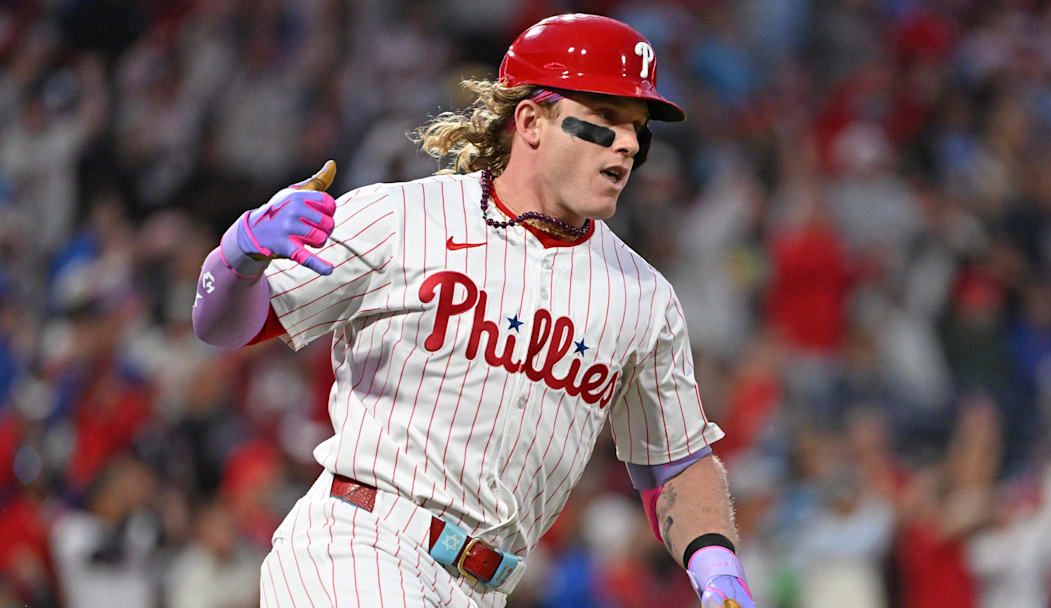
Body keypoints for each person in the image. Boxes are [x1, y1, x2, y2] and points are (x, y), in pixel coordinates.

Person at [193, 13, 755, 608]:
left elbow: (677, 465)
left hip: (485, 587)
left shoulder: (643, 298)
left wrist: (719, 569)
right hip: (362, 543)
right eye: (603, 121)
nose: (627, 143)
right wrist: (238, 257)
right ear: (532, 121)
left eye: (638, 130)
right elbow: (224, 328)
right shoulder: (400, 218)